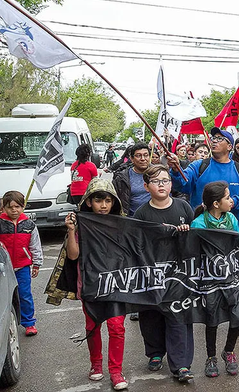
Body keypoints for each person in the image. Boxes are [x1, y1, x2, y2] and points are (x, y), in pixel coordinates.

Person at [63, 179, 128, 390]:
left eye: (108, 200)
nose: (103, 205)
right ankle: (96, 365)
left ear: (113, 203)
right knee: (93, 327)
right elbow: (73, 255)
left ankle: (116, 371)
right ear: (89, 202)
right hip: (90, 285)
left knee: (117, 327)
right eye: (98, 200)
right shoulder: (81, 224)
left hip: (117, 285)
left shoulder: (122, 224)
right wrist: (71, 230)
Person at [133, 165, 196, 382]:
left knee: (179, 316)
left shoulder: (184, 207)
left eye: (165, 180)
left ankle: (181, 364)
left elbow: (197, 238)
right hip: (151, 274)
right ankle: (155, 352)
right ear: (146, 186)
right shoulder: (141, 213)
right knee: (151, 316)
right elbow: (136, 243)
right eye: (156, 181)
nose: (161, 185)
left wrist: (186, 234)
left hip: (179, 274)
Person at [190, 181, 239, 378]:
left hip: (231, 277)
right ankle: (211, 357)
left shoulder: (232, 219)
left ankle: (229, 351)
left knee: (236, 314)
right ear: (216, 203)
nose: (232, 201)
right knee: (211, 317)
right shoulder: (198, 224)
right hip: (210, 280)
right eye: (228, 197)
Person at [167, 128, 239, 233]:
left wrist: (232, 202)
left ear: (230, 146)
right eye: (213, 138)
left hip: (231, 234)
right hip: (202, 232)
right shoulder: (199, 166)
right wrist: (176, 170)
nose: (215, 141)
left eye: (220, 138)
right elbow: (182, 184)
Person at [0, 191, 43, 336]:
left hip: (22, 267)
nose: (14, 210)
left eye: (17, 206)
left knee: (24, 295)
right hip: (3, 269)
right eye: (10, 207)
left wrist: (36, 264)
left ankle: (29, 323)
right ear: (3, 208)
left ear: (23, 207)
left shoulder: (29, 225)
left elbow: (35, 245)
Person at [112, 143, 152, 217]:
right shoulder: (121, 178)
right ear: (132, 159)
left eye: (146, 155)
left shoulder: (158, 173)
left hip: (155, 220)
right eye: (138, 156)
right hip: (131, 221)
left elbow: (176, 192)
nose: (143, 159)